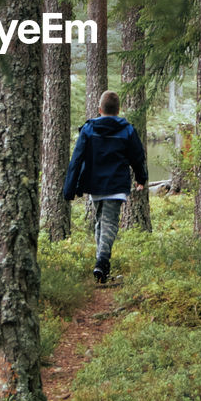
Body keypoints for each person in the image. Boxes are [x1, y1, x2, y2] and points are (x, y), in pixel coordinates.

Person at [62, 90, 147, 283]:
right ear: (118, 110)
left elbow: (76, 159)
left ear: (99, 109)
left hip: (95, 185)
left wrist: (70, 188)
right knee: (105, 222)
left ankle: (101, 265)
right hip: (116, 185)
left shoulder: (89, 129)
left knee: (103, 221)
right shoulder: (127, 130)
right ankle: (101, 263)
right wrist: (141, 178)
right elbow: (138, 156)